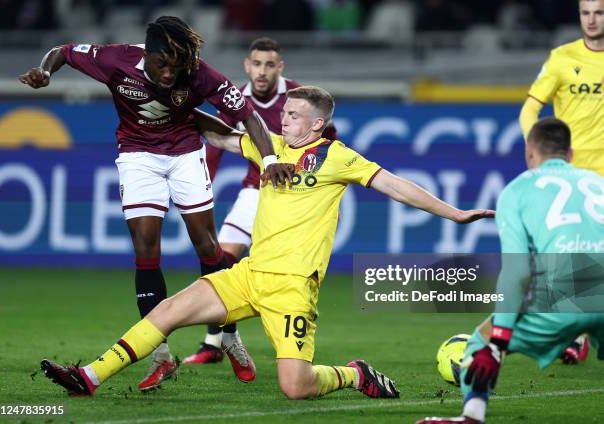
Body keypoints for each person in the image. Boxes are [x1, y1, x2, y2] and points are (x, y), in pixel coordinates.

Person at [40, 85, 494, 400]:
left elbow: (396, 185)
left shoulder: (336, 157)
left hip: (294, 287)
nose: (284, 119)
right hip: (250, 274)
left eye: (294, 115)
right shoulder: (269, 145)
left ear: (317, 123)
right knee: (168, 312)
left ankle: (354, 374)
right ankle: (89, 376)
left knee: (295, 387)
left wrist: (454, 214)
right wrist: (174, 103)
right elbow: (217, 133)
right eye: (285, 113)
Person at [19, 16, 293, 391]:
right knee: (146, 247)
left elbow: (249, 117)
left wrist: (272, 160)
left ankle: (229, 336)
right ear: (146, 54)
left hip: (184, 154)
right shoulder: (114, 59)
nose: (169, 73)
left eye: (176, 66)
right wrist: (44, 70)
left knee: (207, 245)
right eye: (162, 64)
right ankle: (160, 354)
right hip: (137, 156)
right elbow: (62, 52)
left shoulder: (200, 74)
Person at [417, 118, 604, 424]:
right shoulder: (598, 183)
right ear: (570, 154)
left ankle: (472, 416)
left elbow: (516, 271)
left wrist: (499, 341)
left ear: (530, 152)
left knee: (480, 341)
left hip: (565, 298)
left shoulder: (517, 191)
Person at [185, 37, 339, 365]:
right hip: (256, 191)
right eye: (257, 64)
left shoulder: (297, 96)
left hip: (293, 199)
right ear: (247, 65)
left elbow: (330, 138)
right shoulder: (235, 99)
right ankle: (217, 340)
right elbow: (215, 146)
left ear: (279, 67)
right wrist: (202, 190)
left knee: (294, 272)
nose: (262, 71)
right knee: (220, 260)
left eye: (270, 64)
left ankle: (296, 333)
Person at [520, 0, 604, 176]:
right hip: (571, 172)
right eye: (585, 13)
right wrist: (537, 149)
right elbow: (529, 109)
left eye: (598, 13)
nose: (591, 21)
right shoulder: (561, 58)